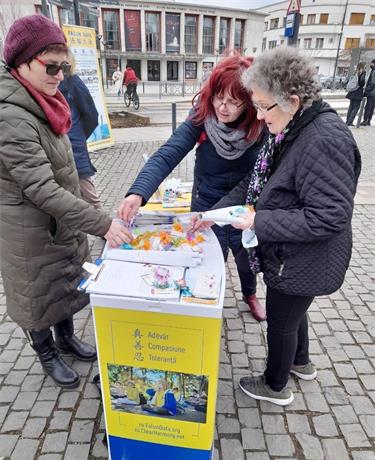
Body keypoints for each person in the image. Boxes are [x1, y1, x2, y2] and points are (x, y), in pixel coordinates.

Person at [192, 47, 361, 406]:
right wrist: (212, 213)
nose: (258, 114)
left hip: (303, 257)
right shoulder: (288, 126)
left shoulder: (323, 139)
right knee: (294, 312)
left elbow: (329, 216)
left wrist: (259, 220)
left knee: (282, 320)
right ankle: (301, 363)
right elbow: (255, 183)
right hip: (295, 254)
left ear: (293, 100)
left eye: (263, 106)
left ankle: (275, 385)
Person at [0, 15, 131, 389]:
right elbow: (41, 188)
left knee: (65, 283)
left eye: (64, 66)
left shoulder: (46, 100)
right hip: (29, 228)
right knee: (37, 291)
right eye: (50, 66)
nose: (60, 75)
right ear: (21, 63)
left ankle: (67, 339)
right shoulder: (10, 115)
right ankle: (47, 354)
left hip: (59, 219)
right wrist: (103, 223)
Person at [118, 53, 267, 321]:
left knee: (246, 259)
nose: (223, 107)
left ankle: (250, 294)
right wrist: (137, 192)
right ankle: (206, 302)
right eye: (219, 97)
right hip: (206, 204)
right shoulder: (202, 116)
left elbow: (260, 175)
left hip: (244, 206)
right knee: (209, 260)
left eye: (234, 102)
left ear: (248, 104)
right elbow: (168, 154)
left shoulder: (259, 125)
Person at [59, 52, 102, 209]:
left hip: (74, 150)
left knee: (91, 200)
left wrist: (78, 136)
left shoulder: (72, 82)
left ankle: (109, 233)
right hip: (53, 153)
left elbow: (91, 115)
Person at [361, 59, 375, 126]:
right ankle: (368, 121)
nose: (370, 65)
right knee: (372, 107)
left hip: (372, 93)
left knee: (368, 107)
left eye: (371, 64)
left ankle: (365, 120)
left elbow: (372, 82)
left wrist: (367, 90)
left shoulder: (374, 71)